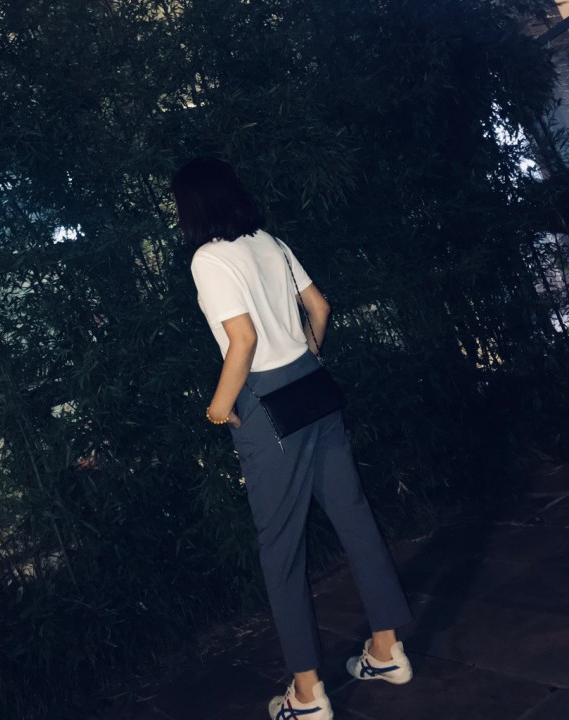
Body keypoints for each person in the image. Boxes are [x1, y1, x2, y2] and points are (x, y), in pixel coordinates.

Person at [170, 156, 414, 720]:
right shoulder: (270, 242)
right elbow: (319, 307)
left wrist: (218, 408)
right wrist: (309, 355)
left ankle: (307, 695)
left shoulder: (208, 258)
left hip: (264, 402)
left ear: (191, 205)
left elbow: (243, 341)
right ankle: (387, 650)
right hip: (312, 386)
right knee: (355, 518)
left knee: (281, 550)